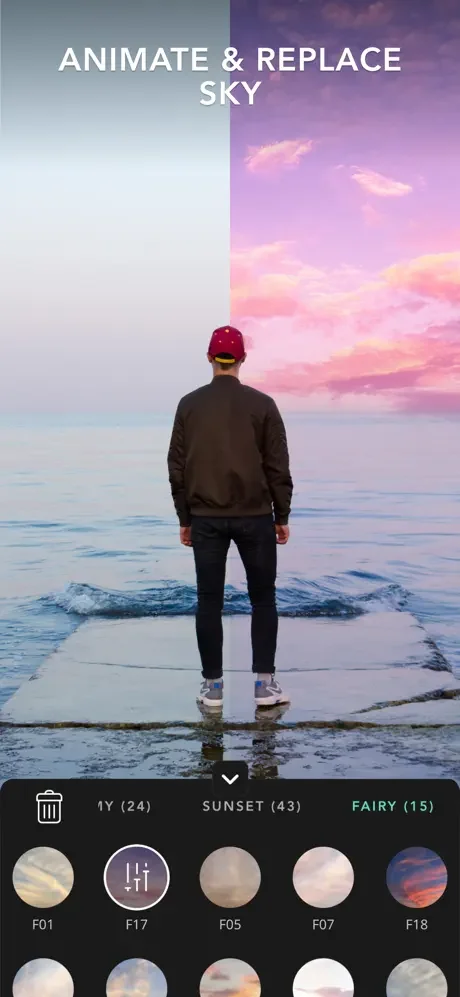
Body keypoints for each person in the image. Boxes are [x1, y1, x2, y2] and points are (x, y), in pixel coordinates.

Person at [167, 325, 293, 708]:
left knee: (209, 600)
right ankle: (264, 686)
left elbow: (176, 466)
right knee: (263, 599)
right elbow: (277, 465)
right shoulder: (264, 404)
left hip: (205, 517)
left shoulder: (189, 404)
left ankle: (213, 688)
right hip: (255, 516)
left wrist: (184, 517)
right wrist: (282, 513)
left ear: (210, 358)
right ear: (241, 359)